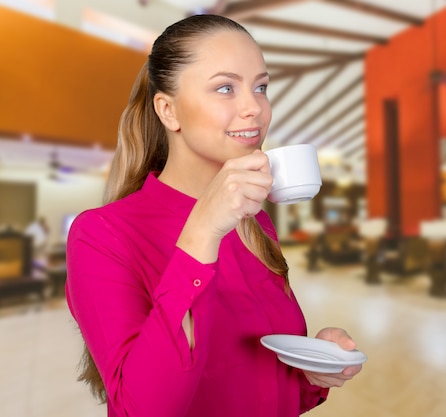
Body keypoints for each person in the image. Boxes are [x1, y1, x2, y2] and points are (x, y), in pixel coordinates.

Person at [65, 14, 362, 417]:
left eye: (261, 87)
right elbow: (145, 409)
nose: (254, 108)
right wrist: (202, 231)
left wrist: (309, 372)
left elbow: (254, 389)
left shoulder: (254, 223)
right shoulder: (102, 235)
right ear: (168, 111)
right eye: (225, 88)